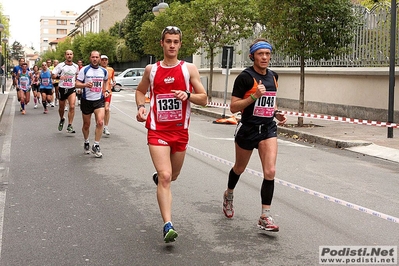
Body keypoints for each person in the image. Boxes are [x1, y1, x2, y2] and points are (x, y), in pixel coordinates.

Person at [135, 26, 207, 243]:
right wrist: (141, 106)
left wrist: (187, 95)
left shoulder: (189, 69)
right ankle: (168, 225)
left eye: (176, 41)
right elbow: (140, 91)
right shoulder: (152, 70)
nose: (172, 45)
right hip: (157, 130)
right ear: (162, 43)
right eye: (168, 41)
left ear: (180, 44)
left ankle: (161, 180)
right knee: (166, 176)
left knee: (172, 176)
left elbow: (203, 98)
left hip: (180, 131)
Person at [222, 38, 287, 232]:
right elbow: (233, 107)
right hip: (248, 129)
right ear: (253, 56)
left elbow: (271, 101)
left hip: (267, 128)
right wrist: (253, 97)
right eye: (261, 54)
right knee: (239, 168)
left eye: (267, 54)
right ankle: (229, 194)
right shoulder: (245, 77)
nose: (265, 57)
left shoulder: (273, 76)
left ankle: (265, 216)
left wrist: (276, 113)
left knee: (270, 171)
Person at [76, 51, 109, 158]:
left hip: (99, 100)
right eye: (93, 57)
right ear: (90, 58)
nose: (95, 59)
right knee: (86, 125)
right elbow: (76, 83)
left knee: (100, 122)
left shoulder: (103, 71)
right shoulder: (84, 70)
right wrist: (85, 84)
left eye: (97, 57)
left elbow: (106, 81)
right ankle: (86, 141)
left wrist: (106, 90)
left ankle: (96, 145)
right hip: (86, 100)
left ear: (99, 58)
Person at [52, 50, 79, 133]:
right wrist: (59, 77)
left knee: (72, 106)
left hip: (71, 88)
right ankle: (62, 118)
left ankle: (70, 125)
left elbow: (77, 76)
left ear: (73, 55)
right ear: (65, 56)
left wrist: (79, 87)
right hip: (62, 88)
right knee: (61, 108)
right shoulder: (60, 65)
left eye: (71, 54)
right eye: (68, 54)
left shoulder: (75, 66)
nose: (69, 56)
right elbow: (52, 75)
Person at [100, 55, 115, 136]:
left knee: (107, 109)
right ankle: (99, 124)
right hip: (98, 93)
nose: (104, 61)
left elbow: (113, 79)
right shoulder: (97, 70)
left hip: (108, 92)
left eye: (106, 60)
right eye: (102, 60)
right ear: (100, 61)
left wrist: (114, 82)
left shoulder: (111, 69)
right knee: (99, 111)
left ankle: (106, 127)